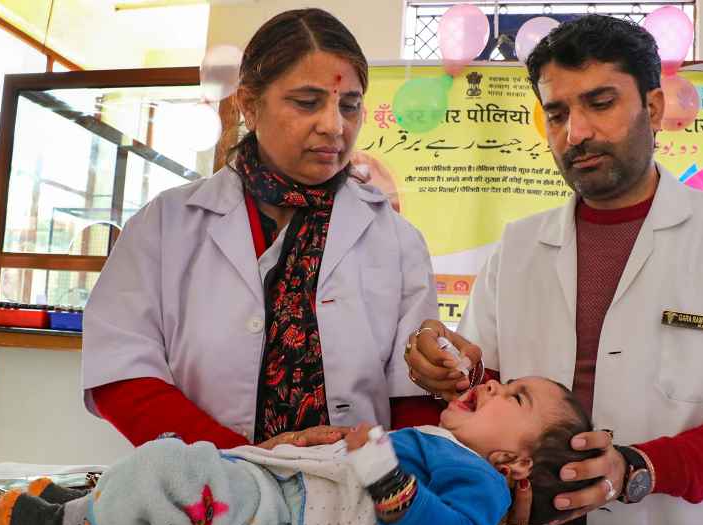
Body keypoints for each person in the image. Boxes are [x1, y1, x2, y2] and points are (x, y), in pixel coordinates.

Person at [404, 15, 703, 525]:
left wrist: (637, 468)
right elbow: (488, 383)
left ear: (652, 107)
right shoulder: (519, 247)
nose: (576, 133)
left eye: (600, 103)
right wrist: (452, 371)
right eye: (557, 114)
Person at [81, 9, 438, 452]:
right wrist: (237, 465)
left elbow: (415, 396)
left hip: (355, 498)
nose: (334, 126)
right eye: (307, 102)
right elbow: (121, 373)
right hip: (202, 490)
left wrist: (401, 488)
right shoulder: (166, 224)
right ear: (249, 104)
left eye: (349, 106)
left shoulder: (396, 240)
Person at [0, 377, 598, 525]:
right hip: (279, 500)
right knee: (182, 459)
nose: (492, 384)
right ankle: (99, 502)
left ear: (515, 466)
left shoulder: (482, 480)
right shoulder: (446, 448)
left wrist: (385, 479)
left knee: (169, 470)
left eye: (514, 397)